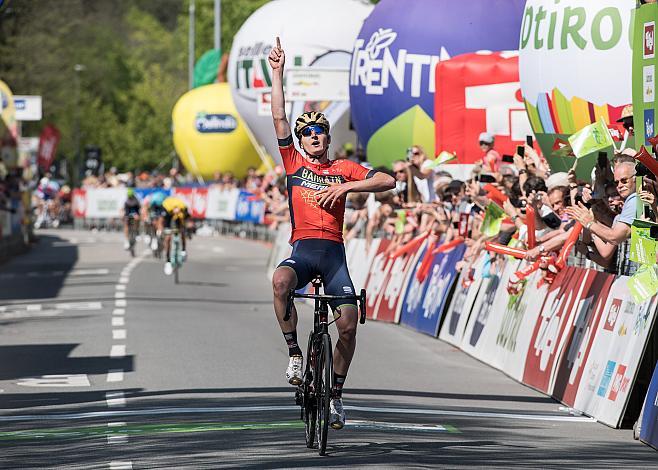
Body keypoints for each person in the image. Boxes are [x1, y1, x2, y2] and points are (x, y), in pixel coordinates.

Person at [268, 37, 395, 430]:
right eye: (308, 135)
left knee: (348, 325)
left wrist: (347, 187)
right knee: (280, 282)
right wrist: (277, 73)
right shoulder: (293, 164)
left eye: (320, 132)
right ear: (302, 143)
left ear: (327, 137)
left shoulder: (344, 167)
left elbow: (388, 180)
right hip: (304, 251)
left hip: (334, 254)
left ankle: (336, 395)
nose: (314, 138)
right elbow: (278, 118)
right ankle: (293, 353)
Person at [566, 160, 638, 275]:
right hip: (630, 276)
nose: (620, 186)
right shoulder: (624, 209)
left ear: (636, 178)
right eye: (617, 182)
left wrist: (590, 224)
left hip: (642, 276)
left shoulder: (635, 199)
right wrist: (591, 221)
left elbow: (614, 238)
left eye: (624, 181)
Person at [161, 195, 189, 275]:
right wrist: (163, 230)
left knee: (183, 233)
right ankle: (168, 261)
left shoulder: (183, 208)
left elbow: (187, 220)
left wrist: (187, 229)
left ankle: (183, 250)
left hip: (180, 222)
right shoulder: (166, 208)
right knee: (168, 238)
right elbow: (164, 222)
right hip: (169, 223)